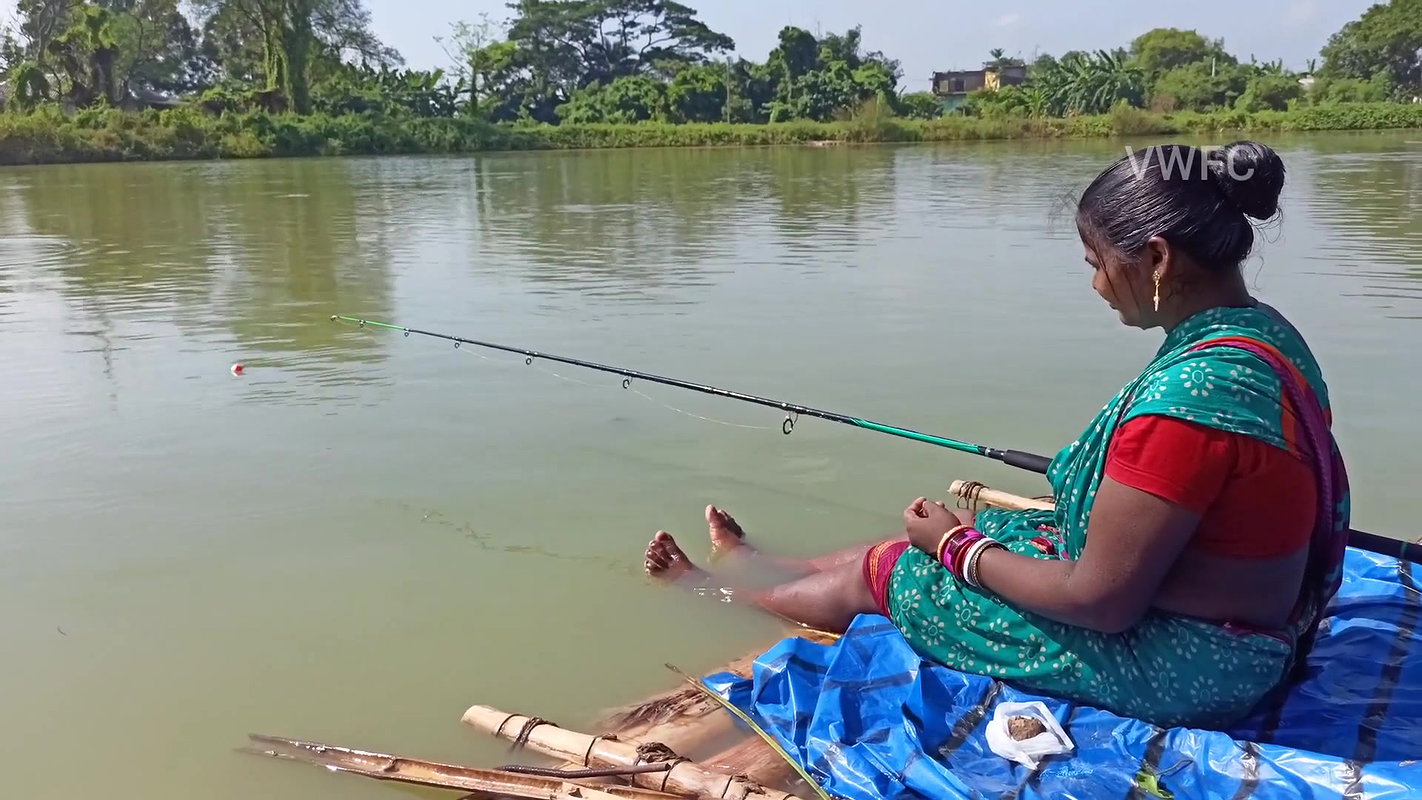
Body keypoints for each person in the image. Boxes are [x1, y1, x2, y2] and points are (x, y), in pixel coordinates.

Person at [641, 140, 1351, 730]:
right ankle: (762, 560)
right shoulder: (1262, 338)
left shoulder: (1184, 406)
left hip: (1194, 666)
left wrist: (955, 545)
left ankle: (716, 594)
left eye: (1097, 263)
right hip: (1249, 632)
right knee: (945, 547)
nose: (1099, 284)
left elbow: (1102, 602)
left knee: (892, 571)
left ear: (1158, 259)